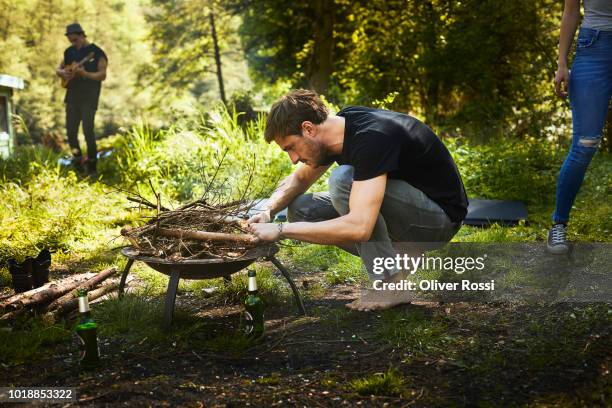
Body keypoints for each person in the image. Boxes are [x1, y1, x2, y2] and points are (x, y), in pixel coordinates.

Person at [248, 90, 468, 311]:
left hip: (438, 221)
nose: (293, 159)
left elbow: (360, 227)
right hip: (408, 213)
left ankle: (391, 285)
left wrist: (280, 229)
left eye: (291, 148)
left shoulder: (373, 137)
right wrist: (268, 211)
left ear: (308, 128)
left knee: (343, 180)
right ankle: (400, 254)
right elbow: (299, 179)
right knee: (302, 209)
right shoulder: (339, 129)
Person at [549, 0, 612, 254]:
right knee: (585, 144)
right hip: (594, 48)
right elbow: (571, 10)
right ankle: (558, 224)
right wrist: (562, 63)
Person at [55, 23, 107, 175]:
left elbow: (102, 75)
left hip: (89, 98)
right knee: (71, 133)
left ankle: (92, 168)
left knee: (88, 132)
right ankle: (78, 166)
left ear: (82, 35)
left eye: (75, 40)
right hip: (72, 97)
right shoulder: (69, 52)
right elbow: (59, 68)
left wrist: (86, 74)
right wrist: (62, 73)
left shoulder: (96, 53)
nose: (73, 43)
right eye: (70, 40)